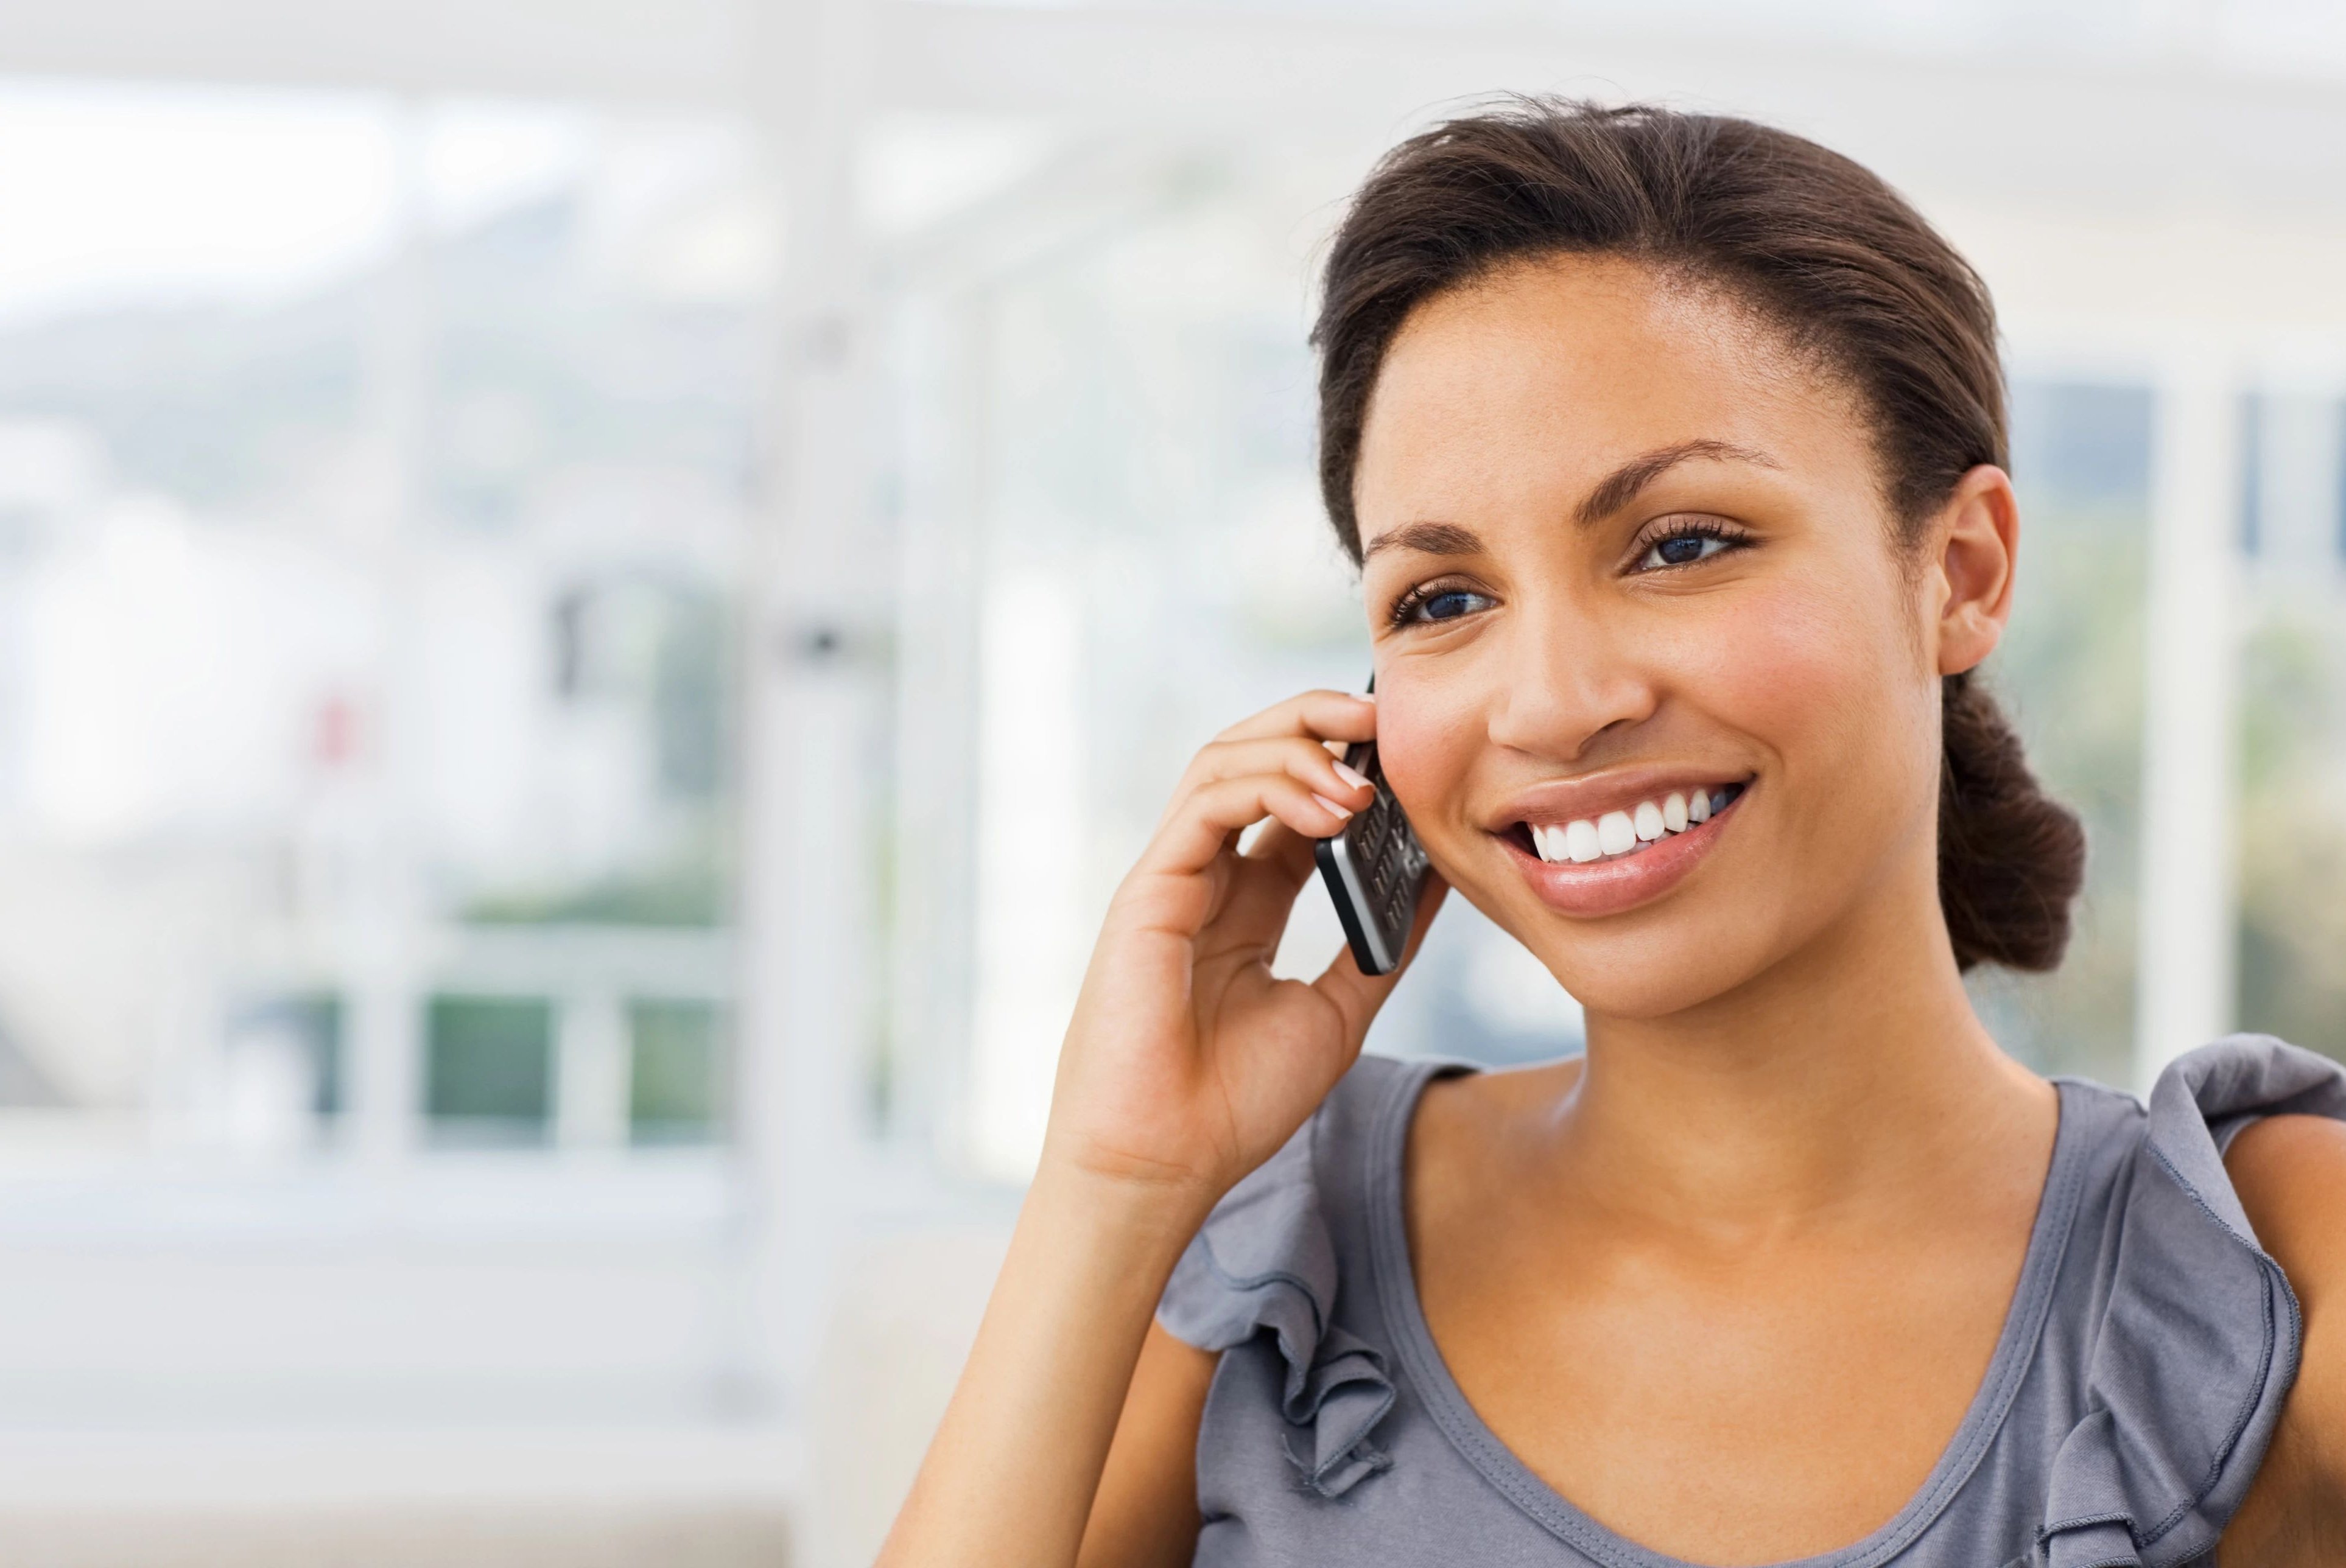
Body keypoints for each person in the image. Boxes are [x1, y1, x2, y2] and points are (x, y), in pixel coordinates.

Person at [880, 100, 2346, 1567]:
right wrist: (1114, 1179)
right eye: (1442, 601)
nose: (1556, 704)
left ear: (1958, 571)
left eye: (1682, 544)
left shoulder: (2254, 1254)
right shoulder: (1279, 1247)